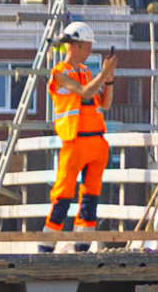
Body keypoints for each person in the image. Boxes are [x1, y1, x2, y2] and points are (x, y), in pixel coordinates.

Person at [37, 28, 115, 234]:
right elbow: (85, 92)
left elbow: (105, 104)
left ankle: (83, 241)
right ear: (75, 46)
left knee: (91, 195)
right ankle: (48, 240)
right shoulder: (59, 74)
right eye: (87, 47)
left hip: (97, 141)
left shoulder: (86, 72)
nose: (90, 51)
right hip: (74, 141)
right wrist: (104, 73)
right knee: (63, 193)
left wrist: (109, 80)